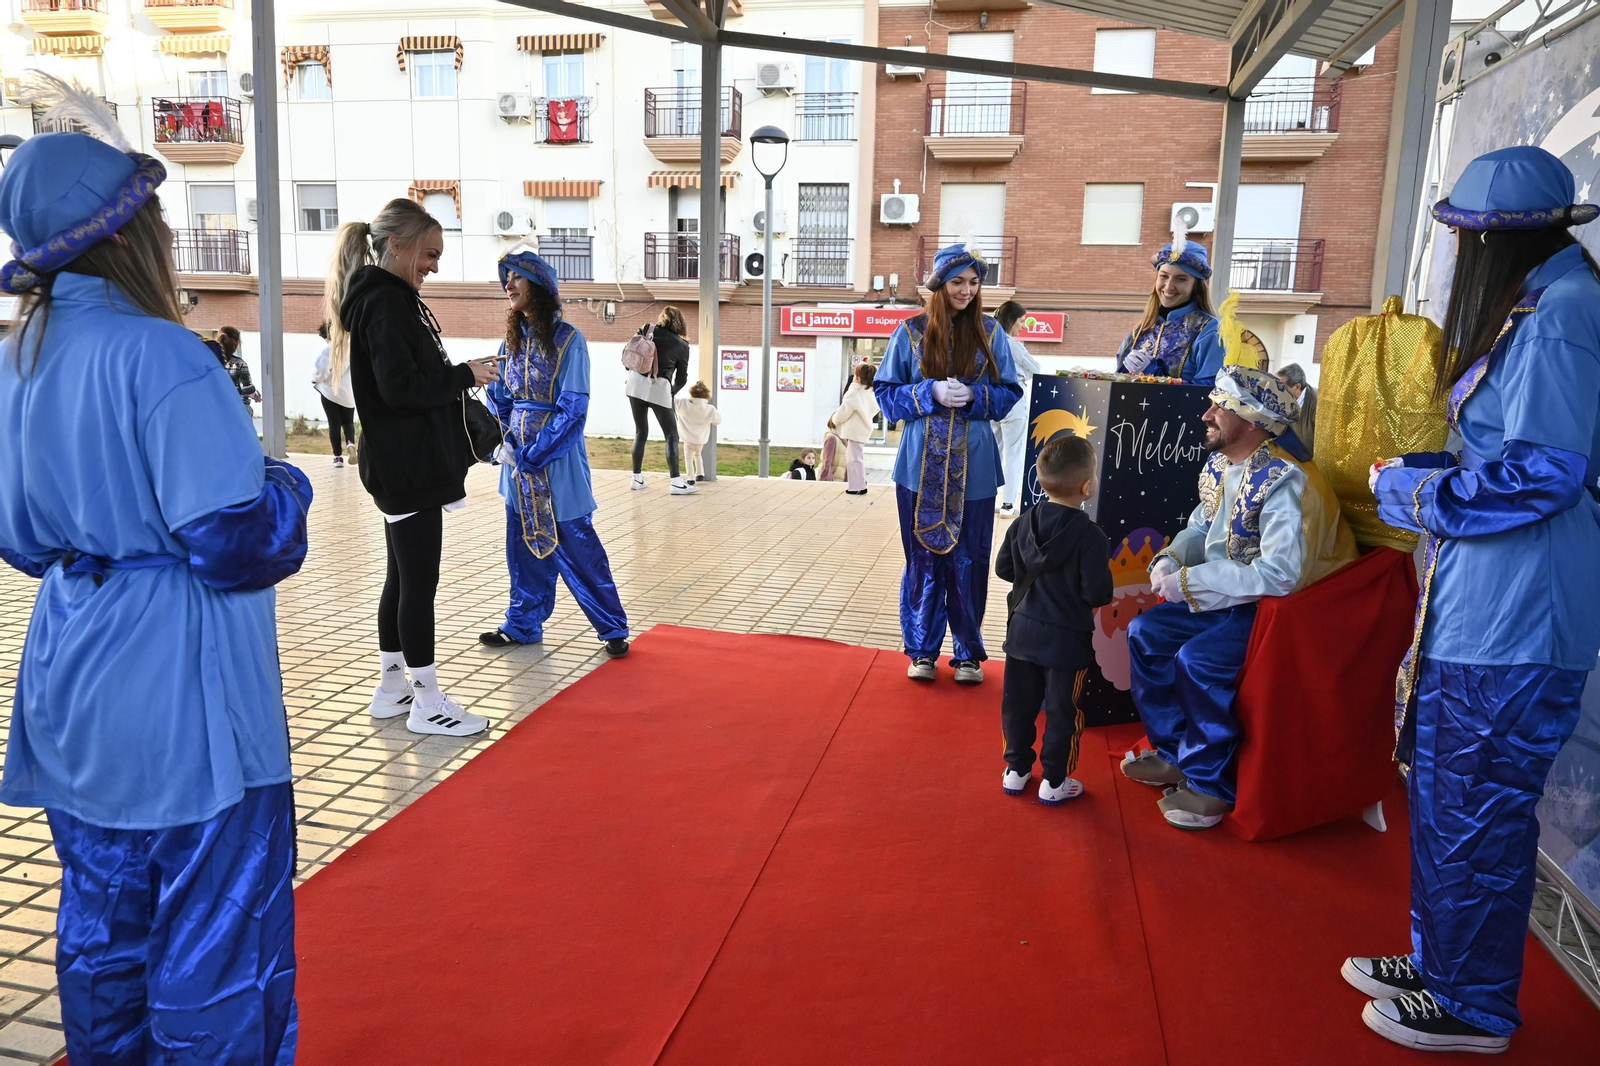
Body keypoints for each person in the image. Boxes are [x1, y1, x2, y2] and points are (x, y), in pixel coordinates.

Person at [0, 78, 311, 1062]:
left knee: (101, 934)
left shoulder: (17, 361)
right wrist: (288, 482)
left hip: (74, 669)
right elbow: (238, 542)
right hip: (182, 692)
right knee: (218, 940)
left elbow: (18, 539)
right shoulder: (166, 358)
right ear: (130, 234)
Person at [1356, 146, 1600, 1055]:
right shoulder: (1540, 304)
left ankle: (1475, 1005)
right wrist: (1423, 472)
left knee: (1483, 807)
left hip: (1518, 617)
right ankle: (1441, 964)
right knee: (1452, 799)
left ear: (1495, 240)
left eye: (1463, 238)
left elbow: (1547, 474)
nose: (1458, 256)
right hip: (1482, 609)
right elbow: (1506, 456)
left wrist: (1410, 494)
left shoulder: (1563, 315)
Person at [1122, 365, 1355, 828]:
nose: (1206, 414)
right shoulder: (1222, 463)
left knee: (1199, 661)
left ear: (1251, 420)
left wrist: (1192, 582)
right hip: (1229, 598)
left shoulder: (1286, 481)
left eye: (1220, 407)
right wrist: (1171, 558)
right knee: (1144, 632)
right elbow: (1202, 526)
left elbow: (1281, 574)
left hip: (1277, 611)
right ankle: (1174, 752)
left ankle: (1211, 786)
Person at [326, 197, 501, 738]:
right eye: (429, 253)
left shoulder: (381, 299)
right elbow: (400, 389)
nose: (434, 265)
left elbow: (395, 382)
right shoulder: (387, 304)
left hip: (399, 464)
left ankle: (392, 688)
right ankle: (427, 702)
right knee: (417, 584)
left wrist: (455, 374)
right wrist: (465, 374)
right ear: (396, 245)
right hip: (409, 467)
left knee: (401, 579)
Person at [874, 242, 1022, 684]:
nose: (967, 291)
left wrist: (978, 396)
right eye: (958, 282)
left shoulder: (993, 333)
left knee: (971, 559)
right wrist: (926, 394)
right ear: (939, 286)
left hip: (974, 469)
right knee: (921, 556)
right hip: (918, 466)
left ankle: (968, 653)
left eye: (974, 283)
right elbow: (885, 394)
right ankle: (921, 649)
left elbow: (1010, 393)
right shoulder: (909, 332)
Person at [476, 250, 630, 657]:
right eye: (505, 278)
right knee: (522, 544)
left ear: (539, 287)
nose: (508, 285)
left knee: (578, 544)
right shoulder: (509, 340)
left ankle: (612, 626)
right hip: (516, 465)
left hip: (557, 466)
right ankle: (523, 624)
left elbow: (573, 408)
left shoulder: (569, 340)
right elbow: (500, 396)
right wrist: (504, 440)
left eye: (516, 278)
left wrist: (534, 454)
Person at [994, 434, 1113, 804]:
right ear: (1087, 486)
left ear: (1042, 478)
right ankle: (1055, 781)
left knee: (1018, 704)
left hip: (1022, 633)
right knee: (1063, 710)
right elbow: (1098, 594)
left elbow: (1003, 569)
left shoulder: (1023, 522)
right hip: (1067, 643)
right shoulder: (1091, 537)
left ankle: (1016, 770)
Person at [1113, 234, 1226, 386]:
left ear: (1196, 286)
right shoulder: (1140, 331)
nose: (1168, 286)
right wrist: (1125, 371)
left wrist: (1154, 372)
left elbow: (1209, 393)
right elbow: (1118, 387)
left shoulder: (1210, 331)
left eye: (1181, 279)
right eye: (1164, 276)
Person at [627, 306, 695, 495]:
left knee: (640, 432)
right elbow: (682, 378)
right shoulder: (682, 345)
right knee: (671, 435)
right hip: (659, 387)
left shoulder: (647, 328)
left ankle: (636, 478)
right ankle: (675, 482)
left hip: (634, 385)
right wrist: (672, 392)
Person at [993, 300, 1044, 515]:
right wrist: (1022, 374)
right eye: (1021, 321)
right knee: (1013, 453)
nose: (1023, 326)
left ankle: (987, 498)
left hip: (993, 400)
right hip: (1014, 401)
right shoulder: (1012, 344)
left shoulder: (989, 341)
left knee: (993, 452)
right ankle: (1007, 504)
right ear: (1012, 320)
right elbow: (1036, 369)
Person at [830, 362, 879, 495]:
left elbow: (843, 411)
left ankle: (858, 486)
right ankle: (860, 482)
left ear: (858, 376)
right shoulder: (870, 392)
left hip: (853, 431)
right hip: (862, 430)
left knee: (853, 458)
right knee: (856, 457)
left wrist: (834, 420)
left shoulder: (855, 393)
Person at [313, 321, 357, 467]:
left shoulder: (328, 351)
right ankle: (350, 443)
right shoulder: (351, 348)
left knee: (334, 424)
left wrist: (315, 380)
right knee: (348, 422)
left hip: (330, 393)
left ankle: (338, 457)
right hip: (348, 394)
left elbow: (321, 371)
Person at [674, 381, 721, 483]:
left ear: (692, 392)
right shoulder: (710, 409)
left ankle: (690, 478)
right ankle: (700, 473)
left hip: (688, 438)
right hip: (701, 439)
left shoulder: (683, 403)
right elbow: (717, 421)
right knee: (698, 454)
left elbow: (671, 399)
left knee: (688, 458)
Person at [217, 324, 262, 408]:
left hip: (218, 407)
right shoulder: (239, 363)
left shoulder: (213, 361)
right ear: (237, 342)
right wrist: (256, 396)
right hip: (238, 408)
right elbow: (247, 388)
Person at [1276, 362, 1317, 456]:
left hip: (1309, 462)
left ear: (1297, 387)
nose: (1277, 392)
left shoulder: (1317, 405)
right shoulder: (1283, 400)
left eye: (1282, 388)